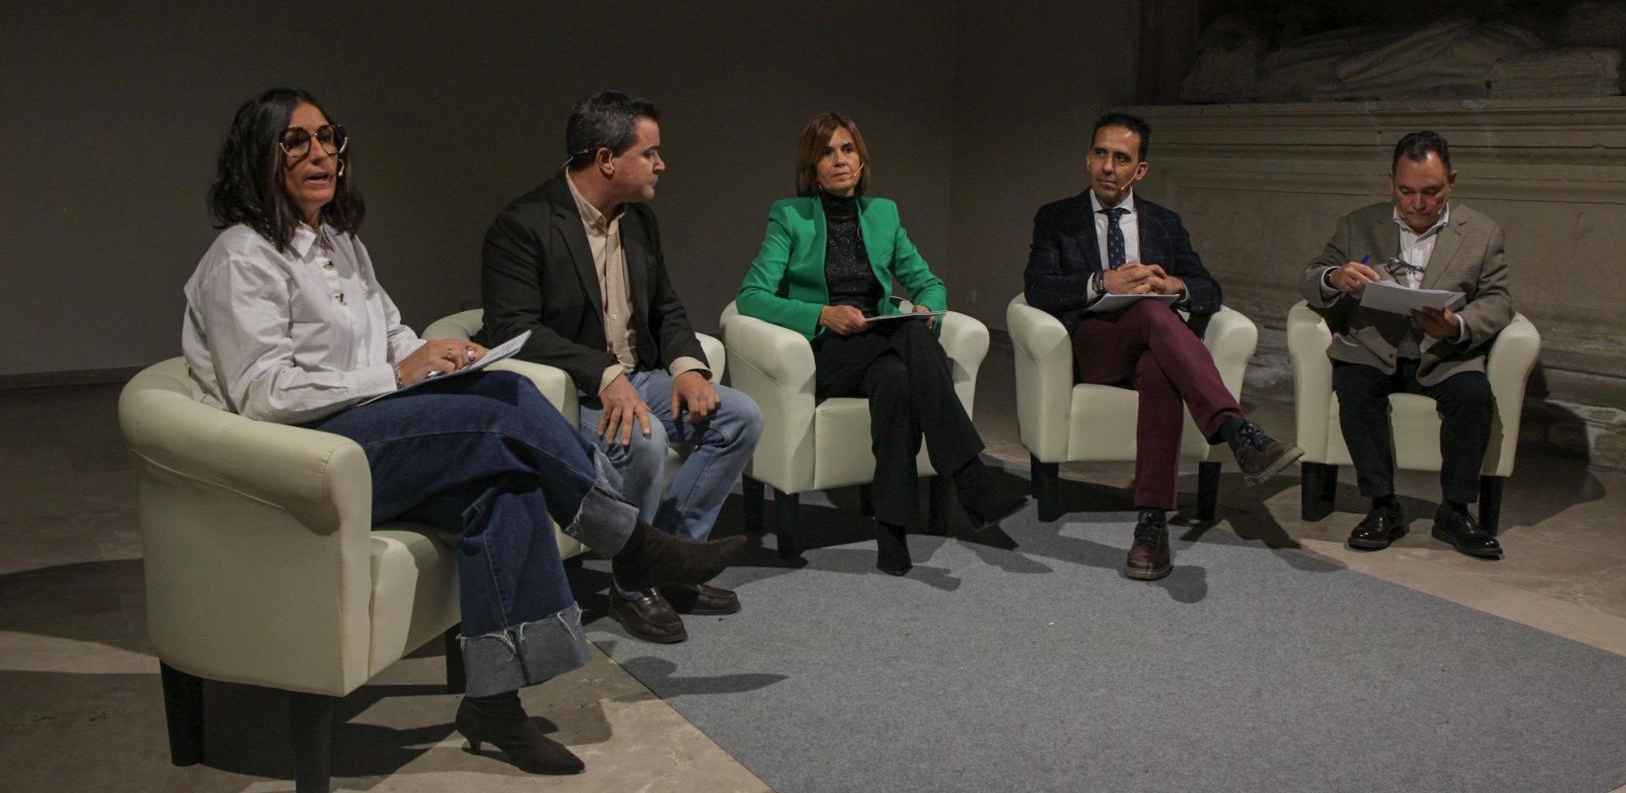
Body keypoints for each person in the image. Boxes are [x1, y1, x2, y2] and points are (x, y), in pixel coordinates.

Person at [182, 88, 744, 776]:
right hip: (307, 455)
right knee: (505, 399)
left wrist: (435, 355)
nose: (321, 154)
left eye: (329, 138)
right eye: (296, 142)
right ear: (256, 158)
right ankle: (634, 544)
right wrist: (397, 376)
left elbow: (391, 333)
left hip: (365, 433)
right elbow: (264, 394)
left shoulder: (340, 243)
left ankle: (493, 706)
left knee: (503, 488)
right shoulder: (243, 257)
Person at [479, 91, 762, 644]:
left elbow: (667, 308)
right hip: (571, 393)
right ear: (607, 159)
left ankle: (674, 561)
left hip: (642, 377)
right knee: (645, 439)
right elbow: (510, 329)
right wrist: (605, 375)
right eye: (650, 153)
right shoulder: (524, 225)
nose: (662, 164)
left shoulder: (639, 223)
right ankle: (632, 585)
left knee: (741, 417)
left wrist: (687, 368)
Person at [735, 112, 1026, 576]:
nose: (839, 161)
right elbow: (750, 297)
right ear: (811, 167)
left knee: (896, 380)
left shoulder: (883, 214)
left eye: (847, 149)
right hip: (825, 351)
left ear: (861, 157)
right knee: (908, 335)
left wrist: (923, 310)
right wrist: (821, 314)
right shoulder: (790, 216)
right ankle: (971, 476)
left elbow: (928, 284)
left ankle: (892, 534)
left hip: (880, 346)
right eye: (826, 153)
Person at [1023, 111, 1302, 581]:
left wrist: (1175, 285)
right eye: (1100, 154)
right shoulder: (1057, 217)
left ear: (1141, 169)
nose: (1108, 167)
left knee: (1159, 368)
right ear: (1087, 158)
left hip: (1151, 350)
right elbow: (1038, 287)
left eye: (1121, 158)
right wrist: (1102, 281)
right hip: (1095, 345)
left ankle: (1151, 526)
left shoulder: (1165, 224)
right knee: (1154, 313)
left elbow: (1209, 291)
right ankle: (1237, 432)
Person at [1300, 131, 1512, 559]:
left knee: (1473, 397)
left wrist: (1457, 325)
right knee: (1356, 390)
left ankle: (1455, 510)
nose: (1418, 202)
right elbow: (1312, 274)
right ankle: (1382, 506)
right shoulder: (1359, 223)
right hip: (1374, 347)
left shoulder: (1482, 232)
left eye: (1431, 191)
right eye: (1406, 190)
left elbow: (1499, 299)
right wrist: (1334, 277)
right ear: (1391, 182)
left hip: (1444, 353)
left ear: (1451, 181)